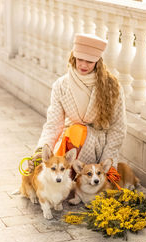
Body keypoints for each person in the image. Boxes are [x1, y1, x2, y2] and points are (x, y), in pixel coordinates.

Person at [29, 33, 127, 172]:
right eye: (80, 59)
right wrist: (40, 150)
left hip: (97, 145)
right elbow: (53, 124)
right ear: (73, 57)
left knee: (78, 132)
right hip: (68, 142)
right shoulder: (61, 85)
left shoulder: (112, 86)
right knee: (45, 171)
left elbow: (118, 128)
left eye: (90, 61)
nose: (83, 65)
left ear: (98, 61)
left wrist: (107, 163)